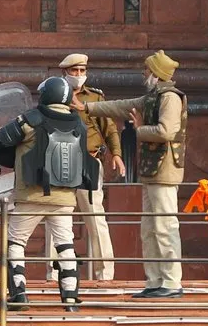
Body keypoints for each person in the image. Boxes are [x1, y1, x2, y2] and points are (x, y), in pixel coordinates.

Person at [0, 77, 100, 312]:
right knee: (65, 245)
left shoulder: (31, 119)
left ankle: (19, 295)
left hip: (31, 195)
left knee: (16, 243)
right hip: (65, 198)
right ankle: (70, 298)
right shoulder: (78, 124)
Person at [79, 50, 187, 298]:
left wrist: (139, 130)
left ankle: (171, 281)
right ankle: (155, 280)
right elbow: (122, 106)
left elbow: (166, 131)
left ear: (156, 74)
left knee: (165, 226)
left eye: (147, 70)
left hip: (165, 171)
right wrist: (87, 106)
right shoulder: (153, 97)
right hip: (152, 171)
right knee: (149, 228)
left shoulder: (170, 97)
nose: (143, 74)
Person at [45, 53, 124, 282]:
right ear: (65, 73)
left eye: (82, 71)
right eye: (74, 71)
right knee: (57, 217)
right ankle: (53, 273)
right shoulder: (53, 95)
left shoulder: (95, 98)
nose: (78, 75)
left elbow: (109, 128)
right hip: (59, 160)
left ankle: (105, 274)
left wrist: (116, 154)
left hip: (89, 160)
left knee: (95, 216)